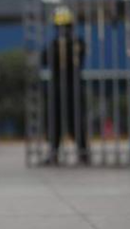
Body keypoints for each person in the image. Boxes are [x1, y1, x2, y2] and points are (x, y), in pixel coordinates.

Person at [42, 6, 88, 165]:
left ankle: (83, 154)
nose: (63, 31)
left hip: (73, 87)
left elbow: (78, 61)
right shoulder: (53, 44)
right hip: (57, 88)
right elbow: (45, 60)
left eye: (65, 27)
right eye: (61, 28)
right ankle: (54, 153)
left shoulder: (78, 43)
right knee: (54, 122)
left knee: (76, 121)